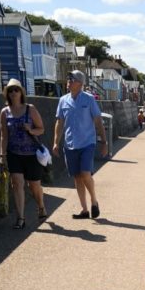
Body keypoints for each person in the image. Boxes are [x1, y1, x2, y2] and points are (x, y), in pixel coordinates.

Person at [53, 71, 109, 220]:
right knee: (77, 177)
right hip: (70, 144)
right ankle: (84, 210)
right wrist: (55, 142)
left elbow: (98, 121)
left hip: (87, 143)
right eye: (68, 78)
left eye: (71, 79)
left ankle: (94, 201)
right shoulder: (63, 100)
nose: (68, 81)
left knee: (85, 173)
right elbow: (59, 122)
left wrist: (104, 142)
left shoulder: (89, 99)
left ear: (80, 83)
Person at [0, 78, 47, 229]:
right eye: (10, 90)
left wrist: (30, 130)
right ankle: (21, 218)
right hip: (14, 154)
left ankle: (41, 206)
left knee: (34, 186)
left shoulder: (30, 109)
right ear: (7, 93)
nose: (13, 92)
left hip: (31, 154)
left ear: (21, 92)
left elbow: (41, 128)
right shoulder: (4, 112)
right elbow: (4, 135)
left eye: (16, 90)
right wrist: (2, 155)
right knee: (17, 183)